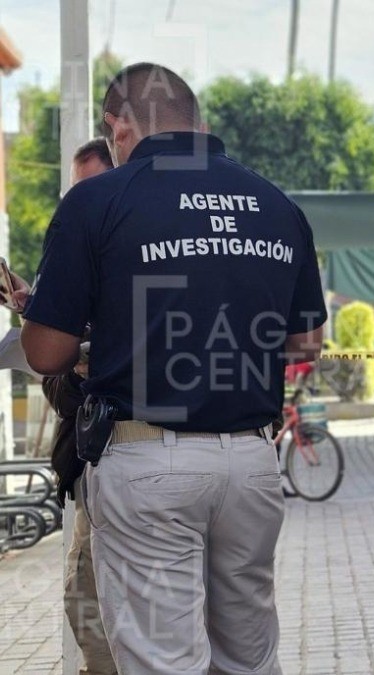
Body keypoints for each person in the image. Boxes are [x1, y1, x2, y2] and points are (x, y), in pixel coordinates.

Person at [21, 63, 326, 673]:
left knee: (165, 661)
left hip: (147, 460)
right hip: (251, 462)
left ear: (118, 127)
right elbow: (306, 343)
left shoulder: (97, 201)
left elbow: (46, 355)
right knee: (250, 660)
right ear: (198, 125)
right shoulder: (276, 203)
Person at [40, 138, 117, 675]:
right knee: (87, 610)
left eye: (89, 188)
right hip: (91, 471)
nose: (80, 202)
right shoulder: (74, 264)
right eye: (74, 191)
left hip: (143, 468)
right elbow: (55, 389)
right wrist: (74, 370)